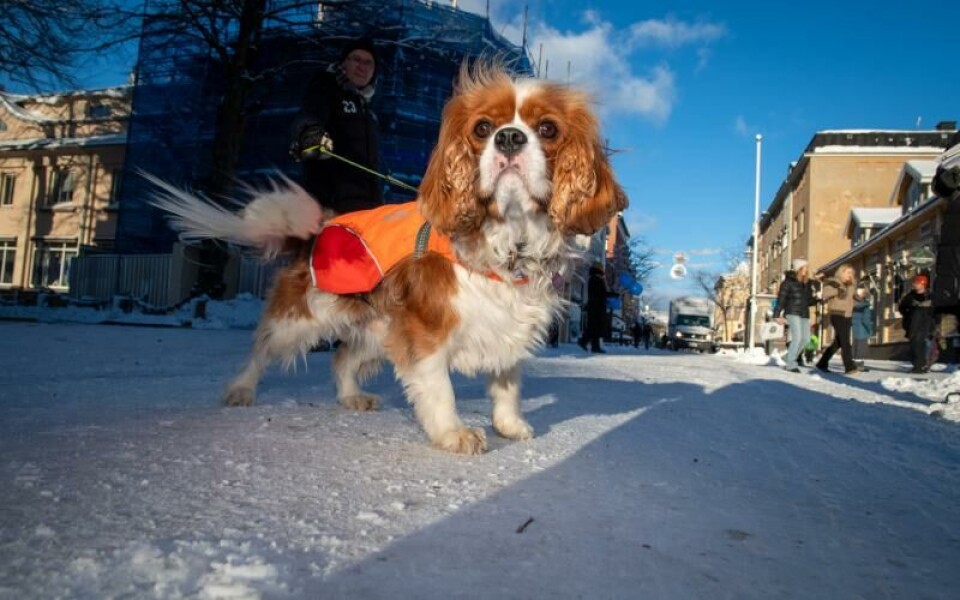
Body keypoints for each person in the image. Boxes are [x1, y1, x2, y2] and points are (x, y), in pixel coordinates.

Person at [290, 37, 384, 217]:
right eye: (356, 59)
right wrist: (309, 133)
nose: (362, 67)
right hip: (332, 205)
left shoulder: (368, 110)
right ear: (343, 63)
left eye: (368, 63)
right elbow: (308, 116)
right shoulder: (327, 87)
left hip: (367, 210)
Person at [774, 258, 818, 373]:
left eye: (807, 267)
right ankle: (791, 364)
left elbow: (808, 301)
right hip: (792, 312)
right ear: (798, 268)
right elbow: (781, 299)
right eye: (804, 267)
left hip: (804, 313)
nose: (806, 270)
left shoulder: (806, 283)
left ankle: (788, 357)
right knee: (797, 337)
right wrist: (776, 314)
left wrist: (817, 298)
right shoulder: (788, 282)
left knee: (806, 339)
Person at [815, 264, 860, 375]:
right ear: (841, 272)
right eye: (848, 272)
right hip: (837, 314)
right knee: (845, 341)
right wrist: (838, 291)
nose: (850, 275)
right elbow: (825, 294)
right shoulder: (834, 282)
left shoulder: (851, 285)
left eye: (852, 273)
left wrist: (859, 297)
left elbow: (852, 300)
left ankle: (822, 363)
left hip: (847, 315)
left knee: (838, 342)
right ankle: (849, 367)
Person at [898, 274, 936, 373]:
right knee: (914, 345)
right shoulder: (910, 296)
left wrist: (934, 322)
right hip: (912, 324)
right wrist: (908, 315)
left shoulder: (930, 296)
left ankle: (921, 366)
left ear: (922, 284)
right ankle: (918, 365)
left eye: (916, 283)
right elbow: (902, 308)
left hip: (926, 325)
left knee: (922, 345)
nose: (914, 284)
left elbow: (936, 311)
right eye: (914, 283)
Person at [578, 262, 609, 353]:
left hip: (595, 305)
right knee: (594, 326)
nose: (603, 268)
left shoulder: (594, 278)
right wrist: (612, 295)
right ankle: (584, 341)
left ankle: (595, 346)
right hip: (597, 306)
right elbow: (601, 293)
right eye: (601, 267)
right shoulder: (597, 279)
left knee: (595, 326)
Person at [851, 287, 874, 370]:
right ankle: (859, 366)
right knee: (861, 348)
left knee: (855, 346)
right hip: (862, 330)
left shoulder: (854, 306)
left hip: (855, 329)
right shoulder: (865, 307)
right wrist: (870, 330)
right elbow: (866, 320)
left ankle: (854, 364)